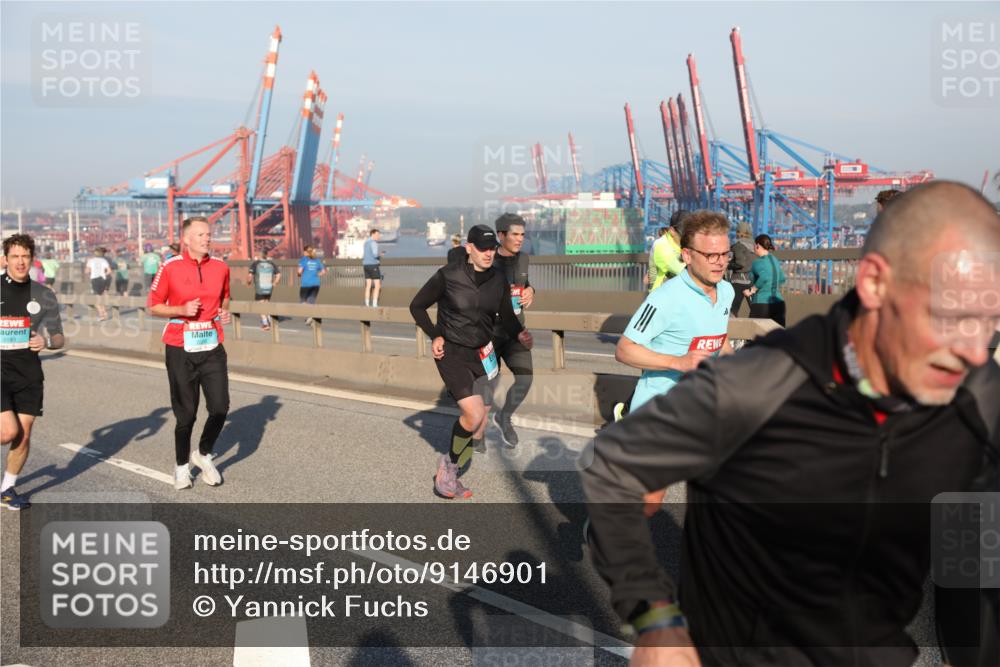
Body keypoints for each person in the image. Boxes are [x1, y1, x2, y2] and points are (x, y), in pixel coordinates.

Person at [582, 181, 1000, 667]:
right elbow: (613, 466)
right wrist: (656, 622)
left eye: (988, 322)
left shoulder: (979, 394)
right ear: (875, 284)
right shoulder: (762, 382)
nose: (973, 351)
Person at [409, 225, 533, 498]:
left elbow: (506, 316)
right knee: (473, 414)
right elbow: (416, 306)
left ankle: (454, 470)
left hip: (484, 354)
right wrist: (435, 335)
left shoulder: (497, 279)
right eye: (482, 248)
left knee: (479, 422)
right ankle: (449, 466)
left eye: (491, 248)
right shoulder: (448, 276)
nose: (488, 253)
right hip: (452, 353)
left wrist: (520, 333)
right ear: (469, 248)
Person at [613, 211, 734, 422]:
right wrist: (678, 362)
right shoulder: (665, 298)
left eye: (725, 254)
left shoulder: (726, 292)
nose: (720, 262)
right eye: (711, 255)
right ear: (687, 255)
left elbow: (718, 337)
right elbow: (624, 350)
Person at [148, 217, 231, 490]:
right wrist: (180, 310)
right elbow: (154, 305)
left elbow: (225, 297)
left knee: (220, 408)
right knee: (186, 415)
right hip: (180, 346)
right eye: (200, 235)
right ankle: (182, 466)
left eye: (208, 234)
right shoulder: (169, 267)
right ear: (186, 239)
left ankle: (203, 454)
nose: (207, 239)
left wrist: (224, 311)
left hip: (212, 345)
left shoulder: (221, 267)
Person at [1, 234, 65, 510]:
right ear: (5, 260)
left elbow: (59, 336)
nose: (20, 261)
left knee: (23, 435)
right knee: (6, 432)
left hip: (28, 373)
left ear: (32, 259)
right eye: (14, 256)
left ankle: (6, 490)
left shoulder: (43, 294)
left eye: (25, 256)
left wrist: (47, 342)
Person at [489, 213, 535, 448]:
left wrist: (531, 292)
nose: (520, 240)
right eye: (515, 235)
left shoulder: (524, 259)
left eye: (522, 235)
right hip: (491, 335)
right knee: (487, 384)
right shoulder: (488, 261)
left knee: (525, 379)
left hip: (516, 332)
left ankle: (504, 417)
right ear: (501, 235)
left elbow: (524, 286)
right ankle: (472, 428)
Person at [746, 233, 787, 326]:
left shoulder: (758, 262)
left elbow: (764, 277)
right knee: (777, 337)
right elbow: (782, 279)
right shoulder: (775, 260)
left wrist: (752, 290)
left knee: (751, 334)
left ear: (757, 245)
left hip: (762, 303)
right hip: (779, 303)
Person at [648, 210, 687, 291]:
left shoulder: (682, 246)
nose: (688, 237)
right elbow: (686, 272)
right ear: (672, 230)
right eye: (684, 233)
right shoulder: (661, 245)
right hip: (660, 300)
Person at [247, 247, 281, 330]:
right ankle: (269, 320)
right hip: (269, 287)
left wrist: (248, 282)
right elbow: (279, 275)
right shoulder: (271, 264)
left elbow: (250, 276)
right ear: (266, 254)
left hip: (260, 288)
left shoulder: (256, 264)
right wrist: (274, 283)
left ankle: (265, 323)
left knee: (260, 305)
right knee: (266, 303)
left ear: (260, 254)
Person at [728, 221, 756, 316]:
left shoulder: (738, 246)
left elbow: (740, 264)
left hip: (738, 280)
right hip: (751, 280)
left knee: (733, 309)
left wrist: (728, 265)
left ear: (739, 232)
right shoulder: (755, 246)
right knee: (755, 308)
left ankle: (731, 328)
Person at [297, 245, 326, 325]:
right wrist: (316, 275)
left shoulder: (303, 259)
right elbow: (323, 271)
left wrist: (299, 275)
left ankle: (310, 316)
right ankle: (311, 316)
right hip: (316, 284)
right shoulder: (317, 260)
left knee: (302, 301)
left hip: (306, 284)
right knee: (311, 301)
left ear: (306, 252)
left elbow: (299, 271)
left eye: (304, 251)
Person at [85, 247, 112, 321]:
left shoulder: (91, 261)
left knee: (96, 299)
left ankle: (102, 315)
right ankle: (105, 314)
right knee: (101, 298)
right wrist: (103, 274)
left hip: (95, 280)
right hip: (103, 280)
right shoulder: (104, 260)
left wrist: (90, 273)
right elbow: (109, 271)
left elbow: (86, 271)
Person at [362, 229, 384, 307]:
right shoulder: (373, 243)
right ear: (373, 234)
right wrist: (380, 255)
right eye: (377, 235)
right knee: (377, 285)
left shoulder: (366, 243)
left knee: (368, 285)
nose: (378, 236)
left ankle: (367, 303)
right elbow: (375, 255)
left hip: (365, 265)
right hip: (373, 265)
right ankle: (375, 304)